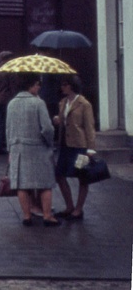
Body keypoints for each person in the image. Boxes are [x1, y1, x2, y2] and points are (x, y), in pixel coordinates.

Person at [5, 73, 60, 227]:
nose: (39, 87)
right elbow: (47, 128)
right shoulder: (38, 103)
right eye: (37, 84)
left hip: (18, 149)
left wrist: (10, 149)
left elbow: (8, 129)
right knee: (45, 183)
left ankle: (26, 216)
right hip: (38, 148)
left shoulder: (12, 103)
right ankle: (48, 216)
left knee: (22, 184)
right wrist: (50, 142)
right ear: (31, 85)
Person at [52, 75, 96, 221]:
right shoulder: (63, 102)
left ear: (72, 86)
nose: (62, 87)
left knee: (82, 176)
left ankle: (79, 209)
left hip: (80, 146)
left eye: (65, 85)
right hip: (65, 145)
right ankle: (69, 206)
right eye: (62, 85)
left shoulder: (84, 104)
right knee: (59, 175)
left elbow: (89, 127)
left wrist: (90, 148)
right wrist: (58, 120)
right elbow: (63, 120)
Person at [0, 51, 17, 154]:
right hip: (6, 100)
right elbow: (13, 87)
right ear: (8, 59)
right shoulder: (9, 71)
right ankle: (9, 146)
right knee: (8, 124)